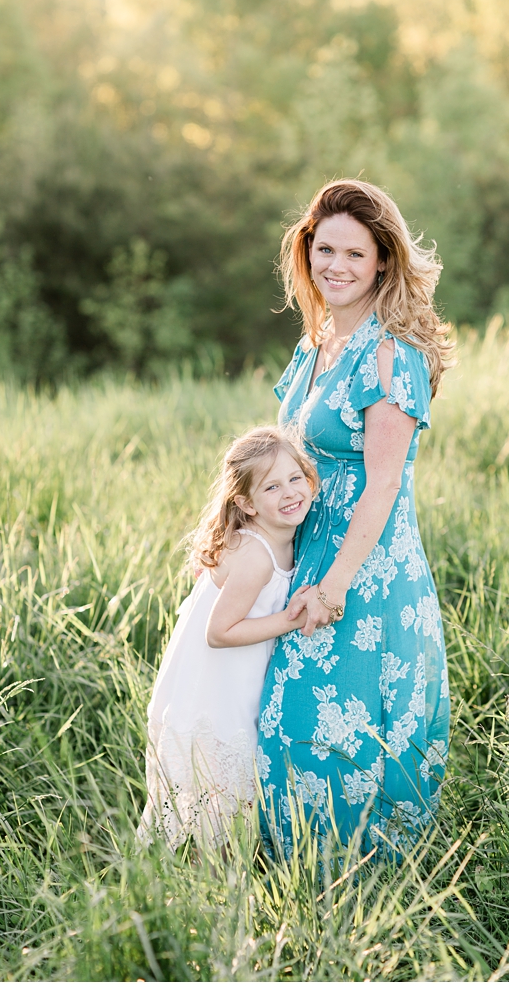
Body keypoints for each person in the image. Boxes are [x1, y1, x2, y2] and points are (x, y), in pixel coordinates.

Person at [257, 178, 457, 860]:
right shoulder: (316, 347)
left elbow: (382, 486)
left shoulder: (388, 355)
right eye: (324, 248)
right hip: (305, 557)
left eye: (355, 253)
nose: (335, 266)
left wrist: (336, 584)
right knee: (290, 728)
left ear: (382, 263)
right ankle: (293, 894)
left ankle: (365, 911)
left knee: (349, 741)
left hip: (365, 575)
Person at [140, 427, 316, 852]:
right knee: (217, 795)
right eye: (272, 486)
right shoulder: (257, 555)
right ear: (246, 503)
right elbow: (219, 632)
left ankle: (214, 873)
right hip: (215, 687)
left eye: (295, 478)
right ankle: (212, 879)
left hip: (226, 678)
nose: (290, 493)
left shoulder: (276, 536)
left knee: (219, 798)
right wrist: (290, 621)